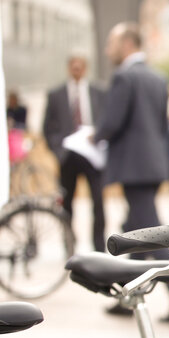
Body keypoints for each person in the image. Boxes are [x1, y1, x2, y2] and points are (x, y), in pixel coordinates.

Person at [95, 22, 169, 322]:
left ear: (126, 44)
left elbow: (113, 123)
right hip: (153, 163)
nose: (107, 50)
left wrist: (92, 136)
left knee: (151, 232)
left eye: (111, 43)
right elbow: (163, 125)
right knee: (135, 232)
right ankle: (127, 294)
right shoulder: (158, 77)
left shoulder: (124, 76)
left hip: (133, 165)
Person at [43, 55, 107, 252]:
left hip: (92, 156)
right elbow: (47, 128)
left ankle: (98, 247)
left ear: (85, 68)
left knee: (98, 202)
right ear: (69, 68)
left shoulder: (99, 92)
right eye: (74, 67)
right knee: (67, 204)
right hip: (67, 156)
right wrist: (58, 149)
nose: (77, 70)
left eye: (80, 67)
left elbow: (106, 120)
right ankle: (69, 245)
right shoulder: (56, 95)